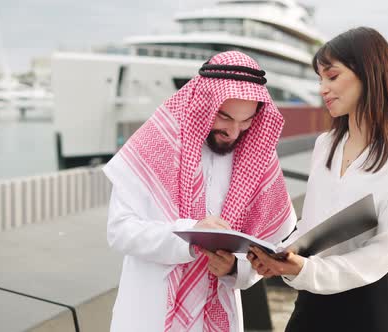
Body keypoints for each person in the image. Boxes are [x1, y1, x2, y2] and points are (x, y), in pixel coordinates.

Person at [247, 27, 388, 332]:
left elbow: (382, 252)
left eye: (332, 77)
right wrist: (281, 255)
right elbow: (312, 225)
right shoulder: (325, 145)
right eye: (320, 79)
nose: (322, 88)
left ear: (369, 73)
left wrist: (307, 269)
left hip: (368, 307)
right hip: (311, 300)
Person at [102, 51, 297, 332]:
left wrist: (233, 267)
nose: (233, 132)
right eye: (224, 117)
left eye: (245, 122)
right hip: (151, 311)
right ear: (202, 105)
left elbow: (263, 251)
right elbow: (120, 231)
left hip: (216, 314)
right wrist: (191, 234)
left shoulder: (256, 156)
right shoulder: (156, 145)